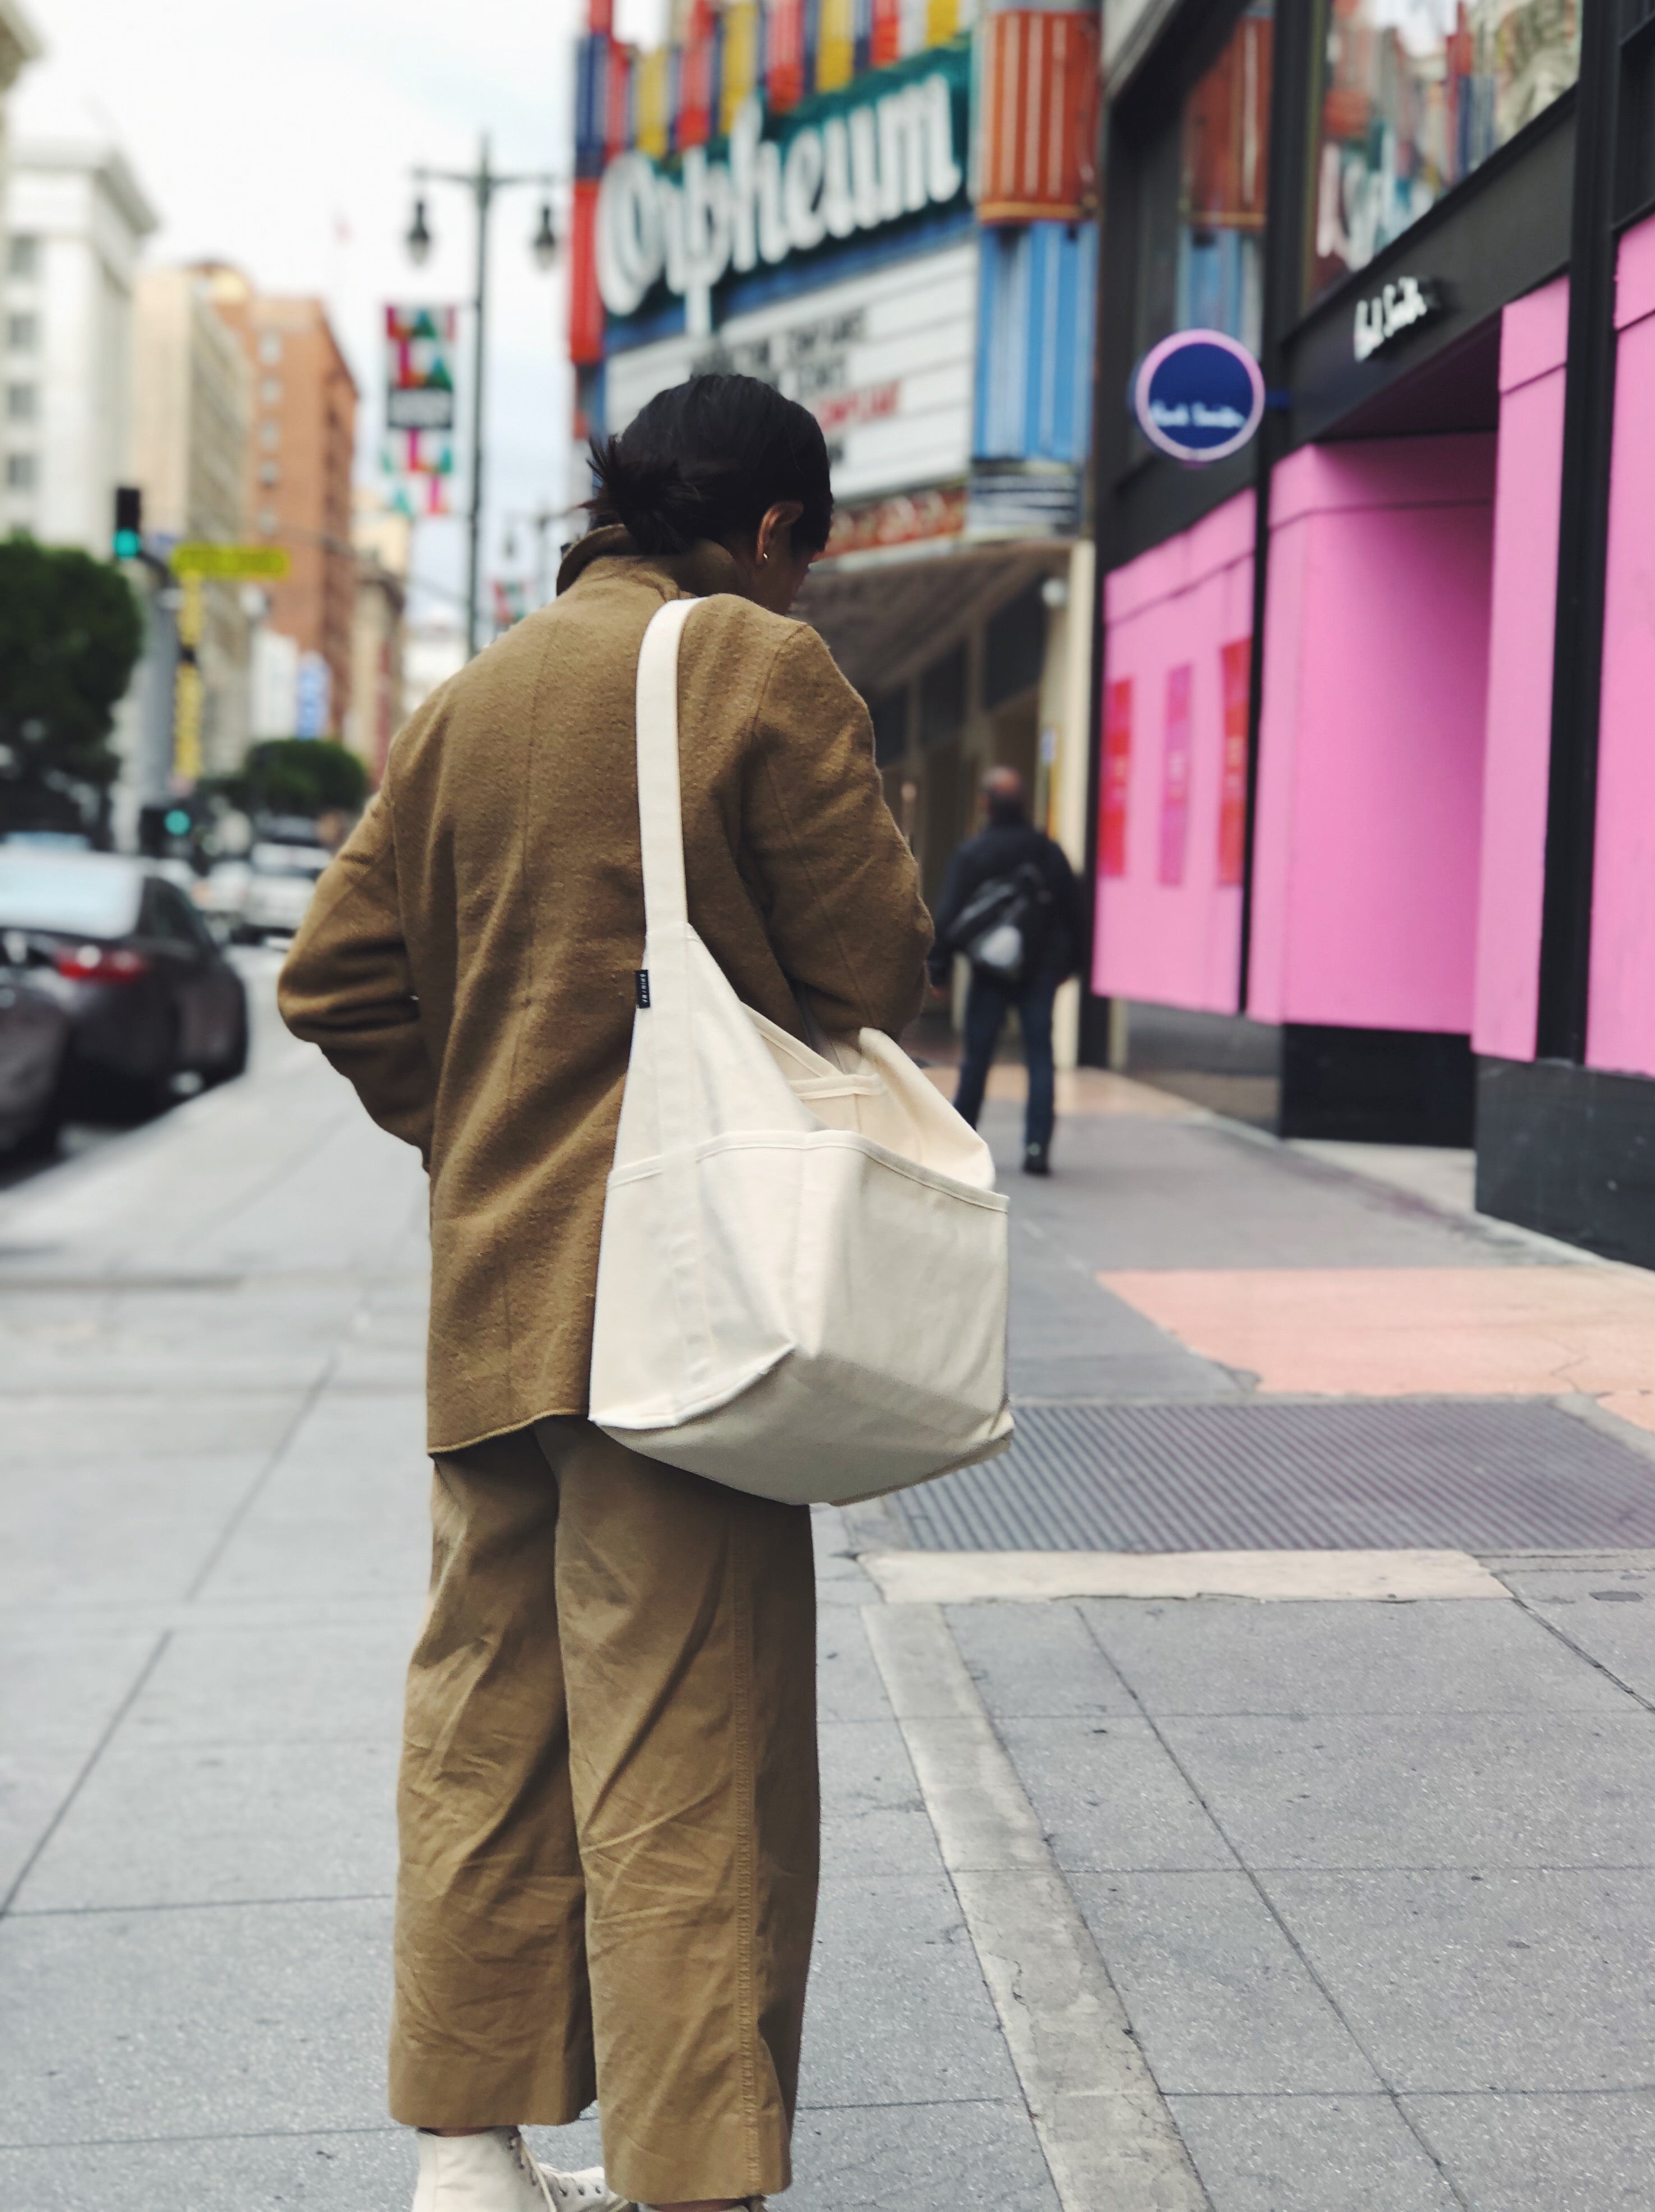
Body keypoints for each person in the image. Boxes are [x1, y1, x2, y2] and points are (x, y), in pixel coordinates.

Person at [277, 375, 931, 2212]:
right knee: (685, 1747)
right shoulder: (753, 670)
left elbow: (330, 979)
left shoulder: (469, 698)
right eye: (813, 549)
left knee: (485, 1728)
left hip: (494, 1303)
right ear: (781, 528)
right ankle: (688, 2180)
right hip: (686, 1313)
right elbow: (872, 959)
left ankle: (470, 2158)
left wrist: (473, 1125)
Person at [928, 766, 1084, 1176]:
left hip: (989, 974)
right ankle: (1037, 1148)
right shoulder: (1048, 852)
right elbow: (1076, 913)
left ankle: (962, 1144)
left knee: (977, 1059)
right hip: (1039, 973)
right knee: (1040, 1058)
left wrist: (939, 969)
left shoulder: (974, 854)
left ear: (986, 803)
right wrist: (1068, 965)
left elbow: (947, 916)